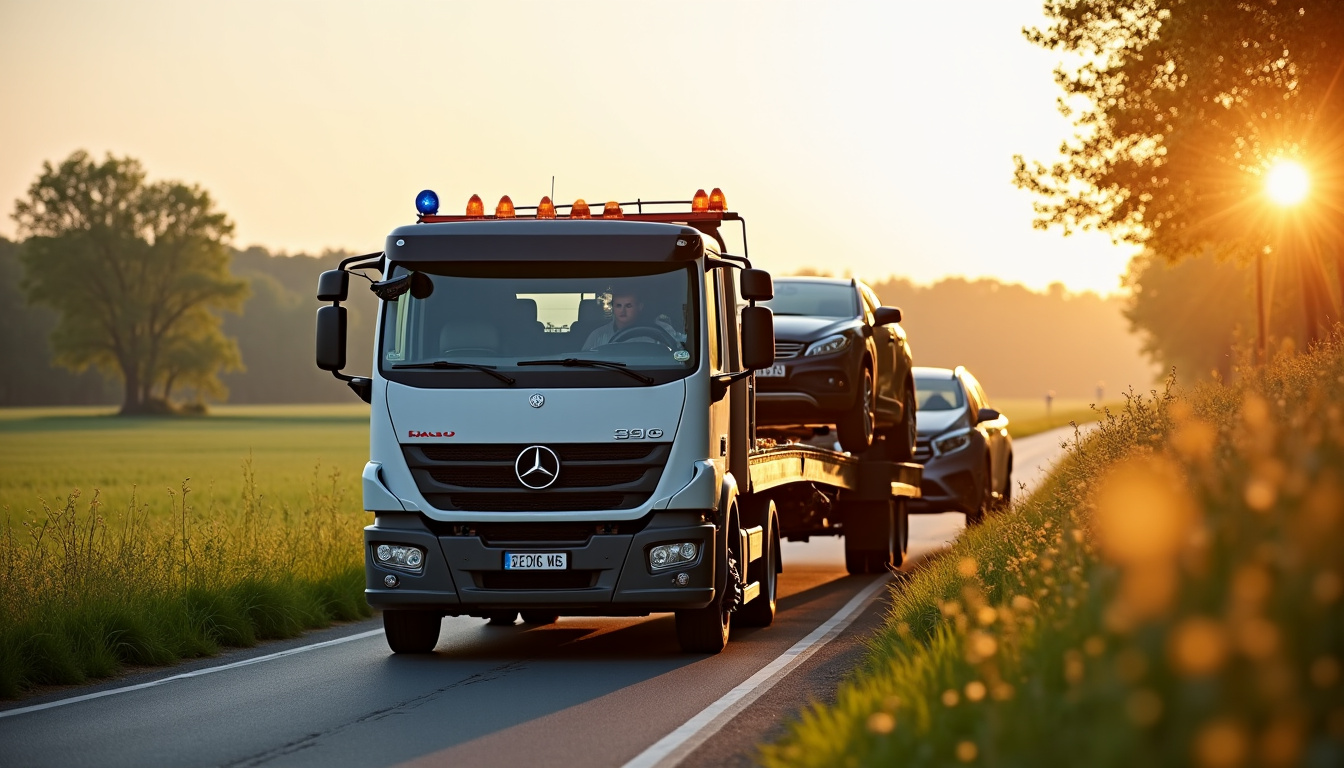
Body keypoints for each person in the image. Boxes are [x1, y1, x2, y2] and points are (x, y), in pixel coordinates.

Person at [582, 287, 681, 350]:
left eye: (628, 306)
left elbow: (677, 357)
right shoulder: (598, 335)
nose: (622, 311)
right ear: (613, 307)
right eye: (618, 306)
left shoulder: (660, 331)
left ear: (640, 307)